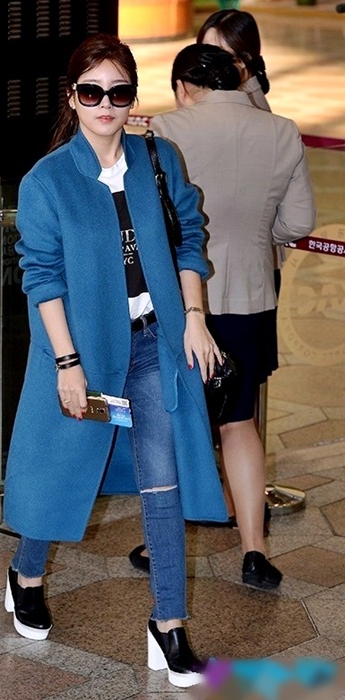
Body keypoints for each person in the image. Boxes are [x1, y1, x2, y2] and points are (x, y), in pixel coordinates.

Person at [3, 33, 229, 689]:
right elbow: (42, 279)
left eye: (119, 91)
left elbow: (189, 240)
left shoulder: (159, 158)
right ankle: (27, 572)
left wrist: (194, 317)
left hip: (154, 346)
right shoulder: (47, 181)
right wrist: (67, 364)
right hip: (86, 355)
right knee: (67, 467)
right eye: (92, 91)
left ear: (133, 97)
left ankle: (169, 625)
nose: (106, 103)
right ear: (72, 98)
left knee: (164, 480)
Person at [129, 43, 316, 590]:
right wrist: (255, 236)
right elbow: (299, 221)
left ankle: (161, 542)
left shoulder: (167, 130)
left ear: (183, 86)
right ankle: (255, 551)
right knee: (239, 422)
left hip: (182, 300)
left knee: (173, 419)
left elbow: (148, 218)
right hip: (253, 297)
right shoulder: (282, 131)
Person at [196, 8, 271, 111]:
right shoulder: (226, 95)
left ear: (243, 60)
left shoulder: (242, 106)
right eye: (204, 52)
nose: (206, 63)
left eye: (217, 54)